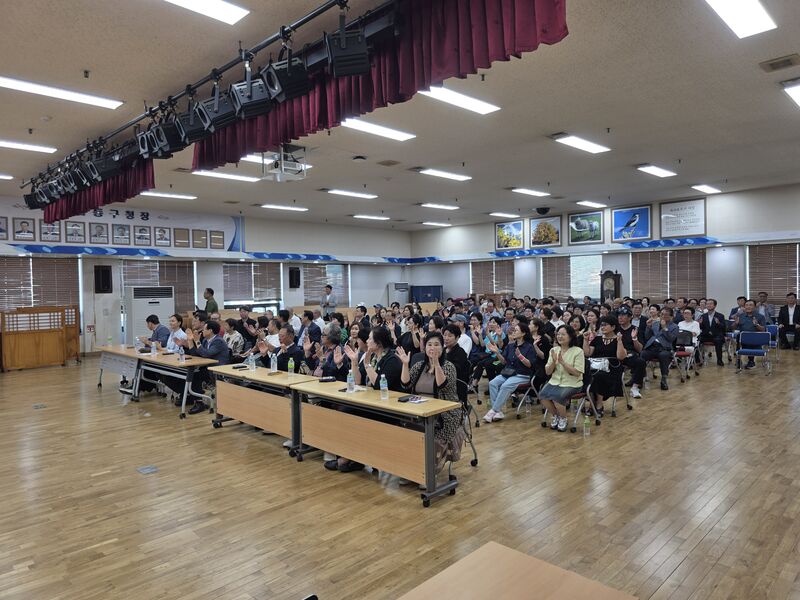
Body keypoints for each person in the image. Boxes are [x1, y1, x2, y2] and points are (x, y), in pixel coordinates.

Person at [397, 331, 464, 472]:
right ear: (425, 347)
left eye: (436, 344)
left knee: (432, 439)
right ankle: (411, 469)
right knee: (403, 433)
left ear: (442, 347)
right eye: (429, 344)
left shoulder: (448, 367)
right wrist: (405, 364)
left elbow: (442, 385)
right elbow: (405, 385)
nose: (432, 348)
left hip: (445, 414)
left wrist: (437, 364)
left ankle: (428, 473)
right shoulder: (420, 366)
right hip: (420, 411)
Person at [172, 320, 230, 414]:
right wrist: (190, 341)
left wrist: (197, 341)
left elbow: (206, 354)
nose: (202, 331)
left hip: (217, 369)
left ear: (210, 330)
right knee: (191, 374)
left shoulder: (218, 341)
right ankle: (192, 397)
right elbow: (196, 355)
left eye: (204, 329)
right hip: (207, 367)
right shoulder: (206, 340)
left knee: (195, 376)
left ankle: (199, 402)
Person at [483, 323, 537, 423]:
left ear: (523, 333)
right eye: (513, 330)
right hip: (508, 373)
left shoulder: (529, 347)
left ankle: (493, 410)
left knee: (505, 386)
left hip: (522, 375)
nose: (513, 332)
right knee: (492, 383)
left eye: (516, 330)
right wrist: (497, 352)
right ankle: (498, 411)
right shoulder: (510, 346)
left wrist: (520, 356)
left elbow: (530, 365)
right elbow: (504, 362)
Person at [539, 325, 586, 432]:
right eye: (558, 334)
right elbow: (548, 372)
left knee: (557, 397)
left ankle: (563, 419)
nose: (559, 336)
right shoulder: (554, 350)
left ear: (570, 336)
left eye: (563, 334)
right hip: (555, 381)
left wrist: (562, 363)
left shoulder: (578, 351)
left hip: (573, 383)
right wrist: (553, 362)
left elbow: (577, 373)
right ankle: (556, 416)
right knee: (543, 395)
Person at [582, 316, 627, 416]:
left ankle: (599, 404)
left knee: (599, 376)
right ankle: (592, 403)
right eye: (601, 325)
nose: (602, 327)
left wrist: (619, 341)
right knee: (588, 374)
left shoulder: (618, 339)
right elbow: (587, 353)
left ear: (613, 327)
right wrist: (585, 340)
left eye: (605, 325)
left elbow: (620, 357)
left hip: (612, 369)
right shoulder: (597, 339)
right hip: (596, 366)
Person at [641, 307, 679, 390]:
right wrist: (648, 327)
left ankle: (664, 379)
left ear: (671, 316)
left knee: (663, 356)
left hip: (664, 348)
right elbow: (647, 337)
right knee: (642, 355)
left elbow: (671, 339)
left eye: (666, 315)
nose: (663, 316)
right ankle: (639, 377)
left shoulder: (675, 326)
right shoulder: (655, 323)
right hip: (652, 347)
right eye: (661, 314)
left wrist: (665, 328)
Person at [616, 306, 645, 399]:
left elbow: (640, 349)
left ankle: (635, 387)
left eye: (623, 315)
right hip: (616, 353)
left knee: (640, 362)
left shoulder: (635, 329)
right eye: (619, 315)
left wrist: (634, 338)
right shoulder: (615, 329)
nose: (620, 317)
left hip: (630, 354)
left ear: (630, 317)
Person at [734, 299, 767, 369]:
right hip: (742, 340)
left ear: (755, 307)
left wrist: (757, 325)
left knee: (750, 336)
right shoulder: (741, 316)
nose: (748, 307)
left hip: (756, 340)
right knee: (739, 336)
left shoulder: (760, 316)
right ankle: (738, 359)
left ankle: (751, 361)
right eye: (746, 305)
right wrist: (735, 323)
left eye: (750, 305)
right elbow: (732, 328)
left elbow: (763, 330)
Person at [441, 324, 470, 402]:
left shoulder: (460, 352)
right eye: (445, 335)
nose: (446, 338)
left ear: (457, 338)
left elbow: (455, 370)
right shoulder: (442, 350)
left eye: (450, 336)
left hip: (455, 384)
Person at [699, 298, 727, 365]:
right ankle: (698, 360)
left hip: (716, 335)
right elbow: (701, 328)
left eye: (711, 304)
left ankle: (719, 360)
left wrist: (718, 323)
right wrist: (700, 324)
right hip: (706, 335)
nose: (709, 305)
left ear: (715, 305)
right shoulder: (703, 316)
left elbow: (723, 327)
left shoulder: (720, 316)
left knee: (718, 340)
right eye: (707, 304)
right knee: (697, 340)